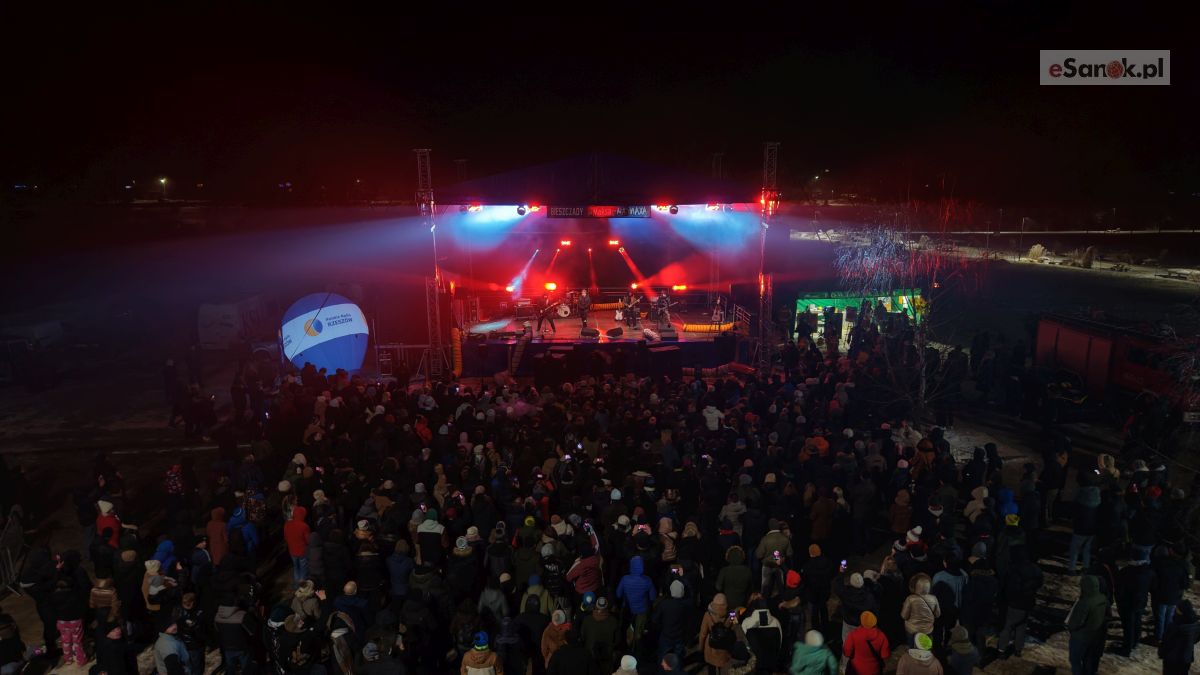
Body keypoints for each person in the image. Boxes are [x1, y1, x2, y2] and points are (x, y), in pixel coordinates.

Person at [1066, 575, 1108, 675]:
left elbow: (1076, 622)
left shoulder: (1085, 602)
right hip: (1095, 636)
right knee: (1088, 660)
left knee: (1075, 660)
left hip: (1081, 637)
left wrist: (1070, 628)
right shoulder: (1103, 598)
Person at [1159, 600, 1200, 675]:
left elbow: (1166, 641)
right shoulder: (1196, 625)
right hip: (1186, 658)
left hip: (1171, 658)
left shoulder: (1175, 626)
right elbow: (1196, 639)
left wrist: (1162, 653)